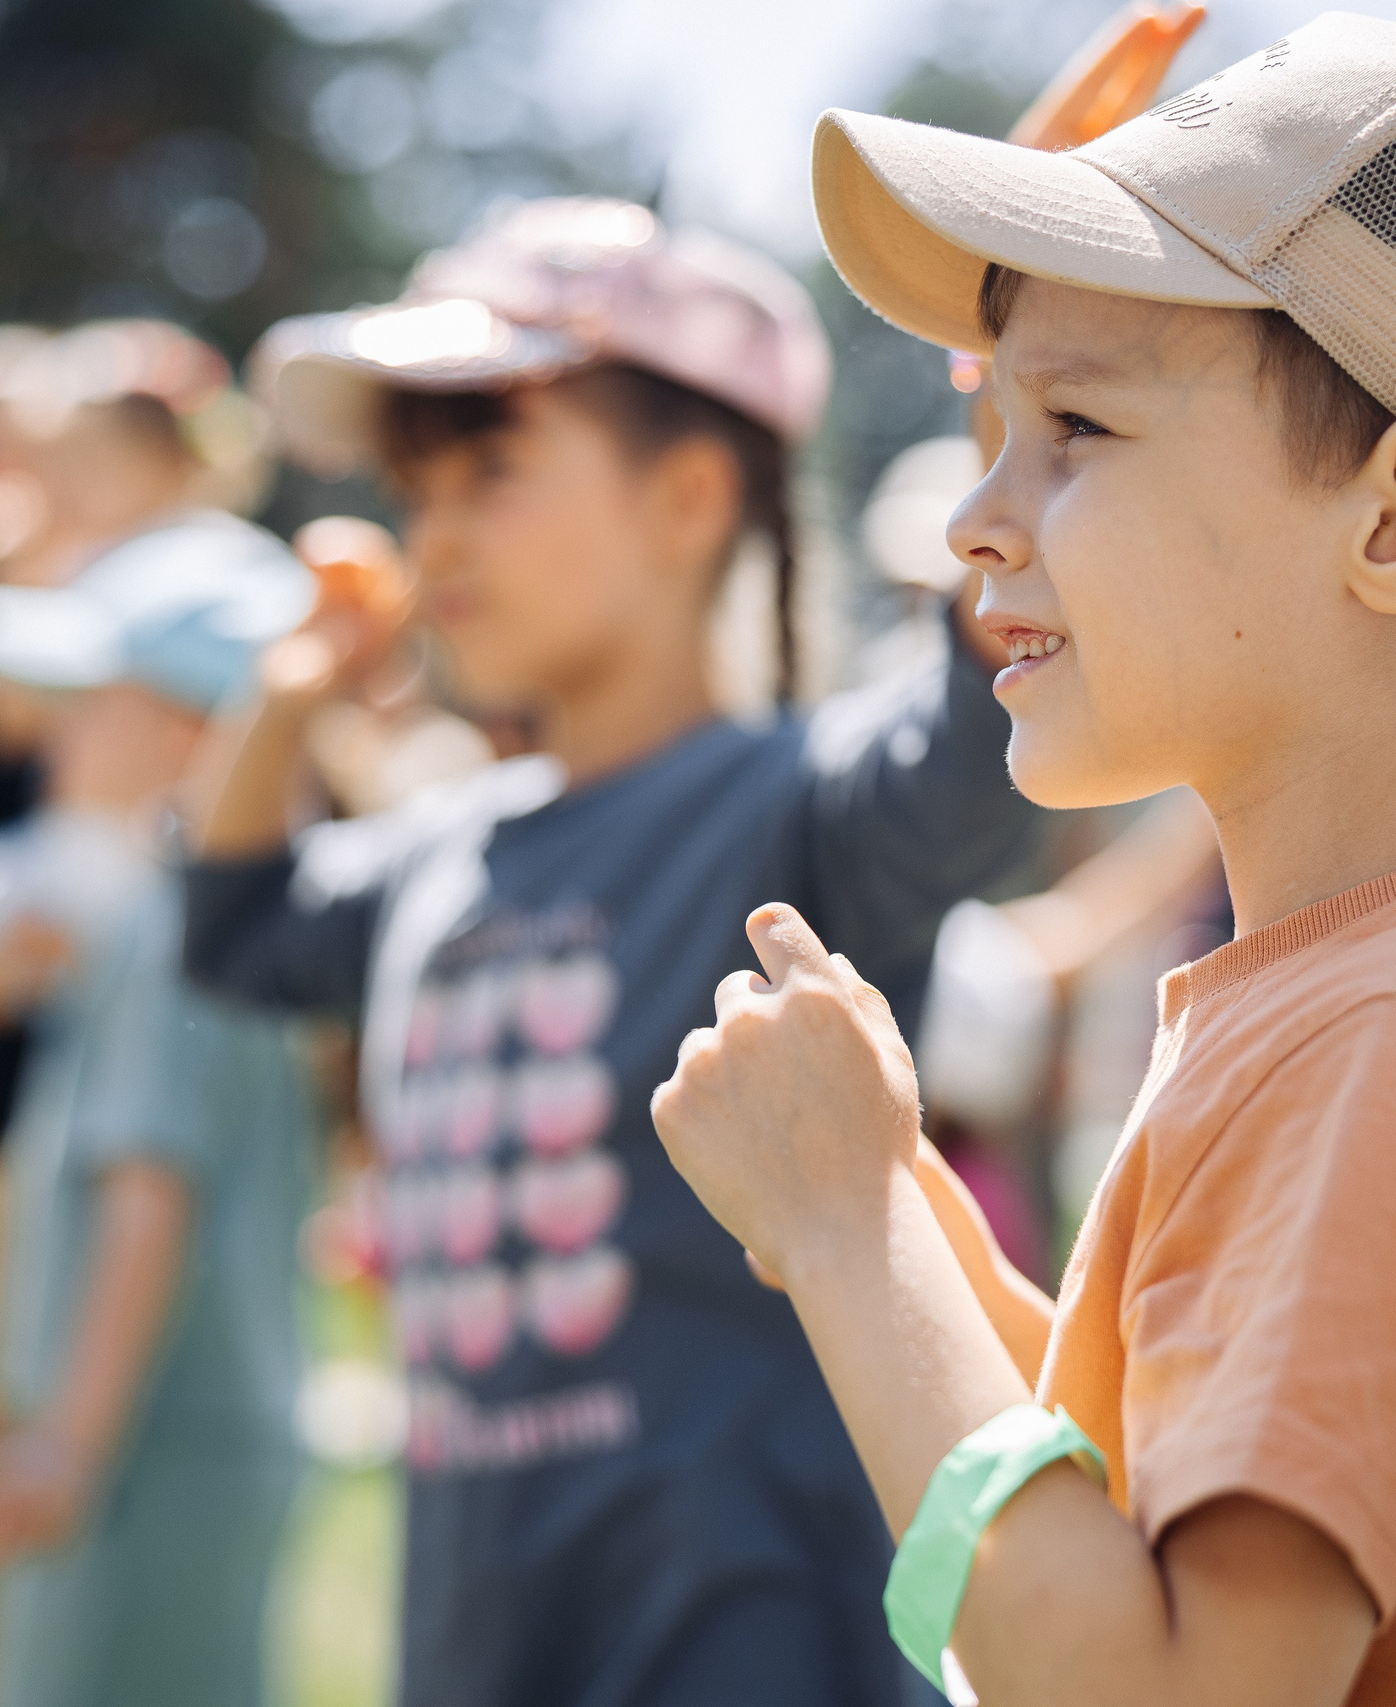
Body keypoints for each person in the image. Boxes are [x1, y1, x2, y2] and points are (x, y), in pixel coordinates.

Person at [649, 13, 1396, 1706]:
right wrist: (896, 1209)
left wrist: (854, 1230)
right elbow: (1131, 1505)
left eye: (1076, 424)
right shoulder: (1373, 991)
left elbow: (1164, 1681)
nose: (974, 519)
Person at [184, 194, 1038, 1707]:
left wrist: (1016, 391)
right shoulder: (432, 854)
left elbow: (978, 750)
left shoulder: (802, 807)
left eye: (491, 473)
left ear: (691, 494)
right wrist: (289, 692)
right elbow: (234, 923)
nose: (432, 536)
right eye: (414, 490)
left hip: (754, 1634)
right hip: (482, 1631)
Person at [0, 510, 325, 1707]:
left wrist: (66, 1445)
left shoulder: (168, 935)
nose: (51, 734)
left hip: (146, 1454)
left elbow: (147, 1199)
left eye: (88, 702)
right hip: (185, 1444)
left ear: (186, 731)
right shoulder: (223, 921)